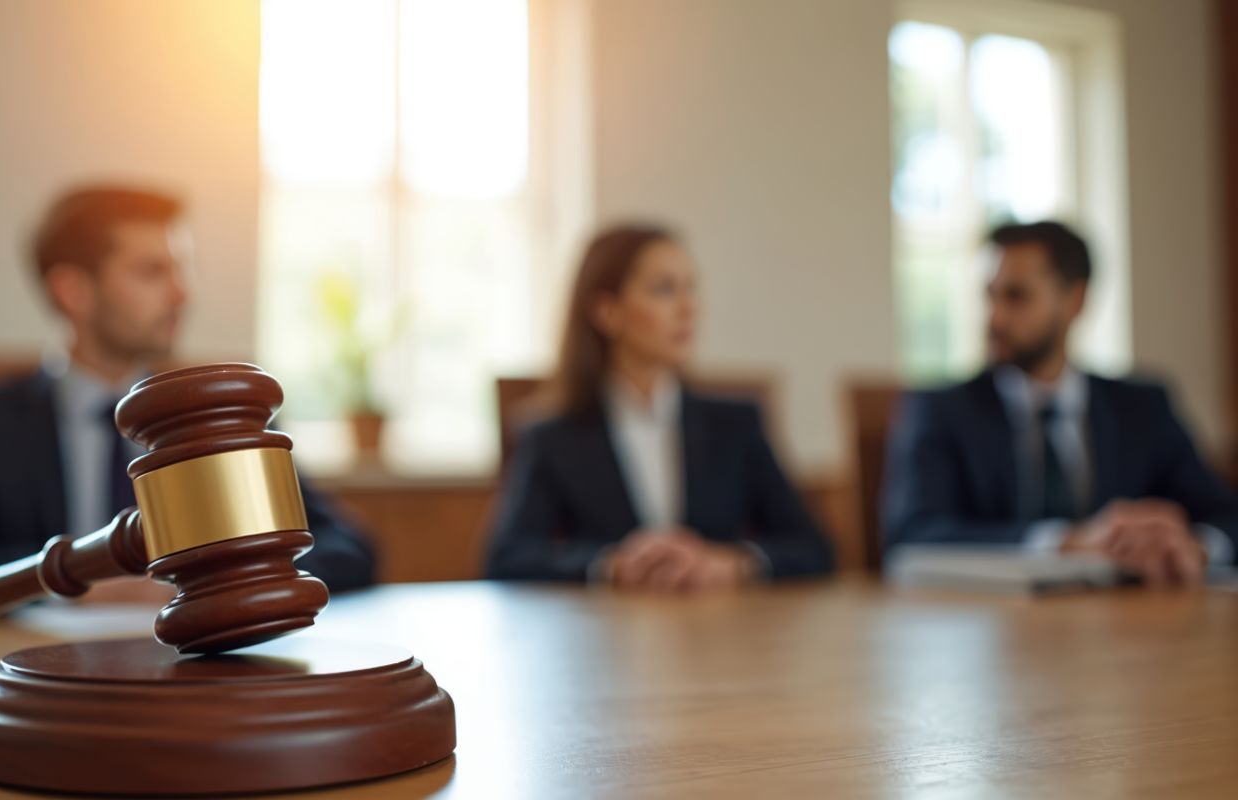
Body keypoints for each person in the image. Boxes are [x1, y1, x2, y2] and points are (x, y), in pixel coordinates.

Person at [0, 185, 375, 594]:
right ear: (73, 291)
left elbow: (349, 549)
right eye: (152, 271)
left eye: (182, 268)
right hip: (41, 683)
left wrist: (215, 582)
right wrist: (76, 580)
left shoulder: (224, 416)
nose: (183, 293)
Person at [882, 220, 1238, 585]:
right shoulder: (942, 410)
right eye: (990, 296)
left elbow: (1227, 517)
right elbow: (912, 533)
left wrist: (1196, 547)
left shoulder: (1142, 408)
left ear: (1075, 300)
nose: (995, 318)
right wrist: (1064, 542)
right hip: (998, 629)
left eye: (1016, 296)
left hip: (1132, 628)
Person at [484, 224, 834, 590]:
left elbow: (815, 549)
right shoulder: (552, 435)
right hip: (601, 638)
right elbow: (507, 558)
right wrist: (609, 565)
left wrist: (733, 563)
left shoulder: (735, 424)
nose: (688, 309)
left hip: (721, 635)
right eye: (664, 289)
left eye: (691, 288)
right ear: (608, 312)